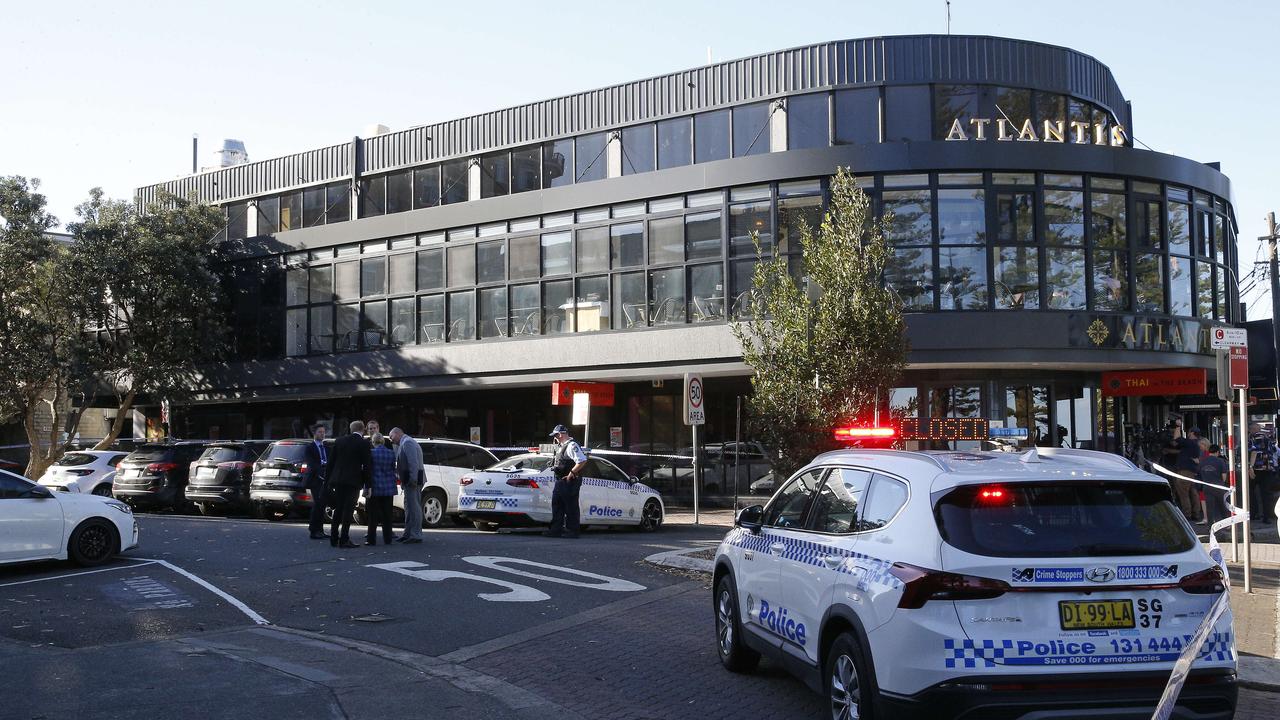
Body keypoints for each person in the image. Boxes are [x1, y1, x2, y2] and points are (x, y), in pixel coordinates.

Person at [326, 420, 373, 549]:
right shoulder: (363, 443)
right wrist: (367, 485)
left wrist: (328, 480)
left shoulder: (340, 441)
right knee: (348, 510)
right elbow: (367, 465)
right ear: (363, 429)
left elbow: (331, 462)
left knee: (338, 509)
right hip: (354, 480)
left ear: (351, 429)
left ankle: (334, 537)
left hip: (338, 479)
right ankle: (344, 538)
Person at [545, 424, 588, 539]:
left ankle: (572, 531)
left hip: (570, 481)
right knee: (557, 505)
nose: (554, 438)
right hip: (560, 480)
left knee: (571, 506)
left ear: (560, 434)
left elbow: (582, 461)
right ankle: (556, 530)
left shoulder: (572, 445)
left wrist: (571, 473)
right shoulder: (561, 446)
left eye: (555, 435)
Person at [390, 427, 424, 543]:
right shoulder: (406, 442)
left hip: (412, 481)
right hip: (410, 481)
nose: (391, 439)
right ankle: (408, 533)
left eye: (391, 436)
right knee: (409, 507)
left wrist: (413, 480)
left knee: (414, 507)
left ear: (397, 433)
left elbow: (413, 463)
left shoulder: (407, 442)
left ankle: (415, 535)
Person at [365, 432, 397, 546]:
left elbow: (368, 470)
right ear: (383, 441)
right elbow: (393, 468)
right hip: (388, 487)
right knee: (387, 515)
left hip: (375, 487)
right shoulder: (391, 453)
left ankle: (371, 539)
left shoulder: (371, 453)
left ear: (373, 442)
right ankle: (388, 539)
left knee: (373, 515)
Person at [1169, 423, 1202, 523]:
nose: (1187, 434)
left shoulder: (1189, 442)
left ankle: (1187, 514)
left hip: (1184, 471)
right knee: (1193, 492)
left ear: (1192, 433)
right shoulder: (1196, 444)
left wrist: (1178, 426)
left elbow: (1176, 438)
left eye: (1188, 432)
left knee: (1183, 492)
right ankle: (1196, 513)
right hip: (1192, 471)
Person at [1198, 442, 1230, 537]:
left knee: (1210, 507)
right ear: (1217, 452)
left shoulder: (1202, 461)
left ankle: (1210, 526)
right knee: (1222, 505)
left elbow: (1199, 474)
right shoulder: (1220, 462)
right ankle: (1227, 524)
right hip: (1219, 486)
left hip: (1207, 487)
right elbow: (1224, 476)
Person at [1248, 423, 1277, 525]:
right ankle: (1267, 516)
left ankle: (1253, 514)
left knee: (1251, 492)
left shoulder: (1256, 437)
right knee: (1266, 494)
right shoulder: (1268, 438)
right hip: (1268, 469)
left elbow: (1254, 452)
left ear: (1253, 429)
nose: (1249, 431)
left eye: (1250, 429)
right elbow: (1274, 451)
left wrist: (1250, 467)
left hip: (1257, 468)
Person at [305, 425, 330, 540]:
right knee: (318, 504)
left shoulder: (326, 446)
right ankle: (313, 529)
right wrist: (320, 471)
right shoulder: (310, 447)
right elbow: (312, 463)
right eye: (320, 432)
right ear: (314, 433)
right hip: (316, 479)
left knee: (322, 505)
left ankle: (320, 530)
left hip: (326, 479)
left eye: (323, 432)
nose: (322, 434)